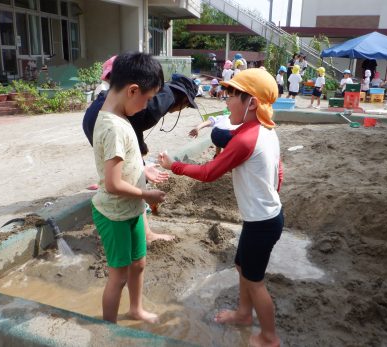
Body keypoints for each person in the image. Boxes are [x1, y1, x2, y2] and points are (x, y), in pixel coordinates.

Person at [159, 68, 283, 347]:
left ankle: (268, 337)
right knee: (242, 266)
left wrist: (173, 166)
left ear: (251, 102)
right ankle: (242, 313)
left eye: (231, 96)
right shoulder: (265, 130)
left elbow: (208, 173)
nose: (225, 101)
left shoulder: (247, 139)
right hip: (265, 217)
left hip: (262, 223)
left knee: (255, 281)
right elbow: (279, 170)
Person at [83, 59, 198, 243]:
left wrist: (141, 162)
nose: (147, 103)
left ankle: (143, 230)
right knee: (130, 177)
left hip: (94, 116)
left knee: (131, 172)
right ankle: (143, 232)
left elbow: (133, 124)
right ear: (183, 99)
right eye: (148, 99)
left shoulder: (158, 98)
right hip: (101, 121)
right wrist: (141, 165)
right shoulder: (164, 99)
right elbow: (132, 122)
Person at [91, 52, 166, 324]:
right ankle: (108, 327)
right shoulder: (112, 127)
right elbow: (112, 183)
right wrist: (147, 194)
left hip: (131, 210)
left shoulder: (120, 118)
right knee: (119, 274)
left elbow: (125, 165)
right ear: (133, 90)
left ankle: (135, 309)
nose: (147, 106)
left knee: (139, 263)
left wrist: (142, 170)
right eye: (146, 99)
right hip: (114, 214)